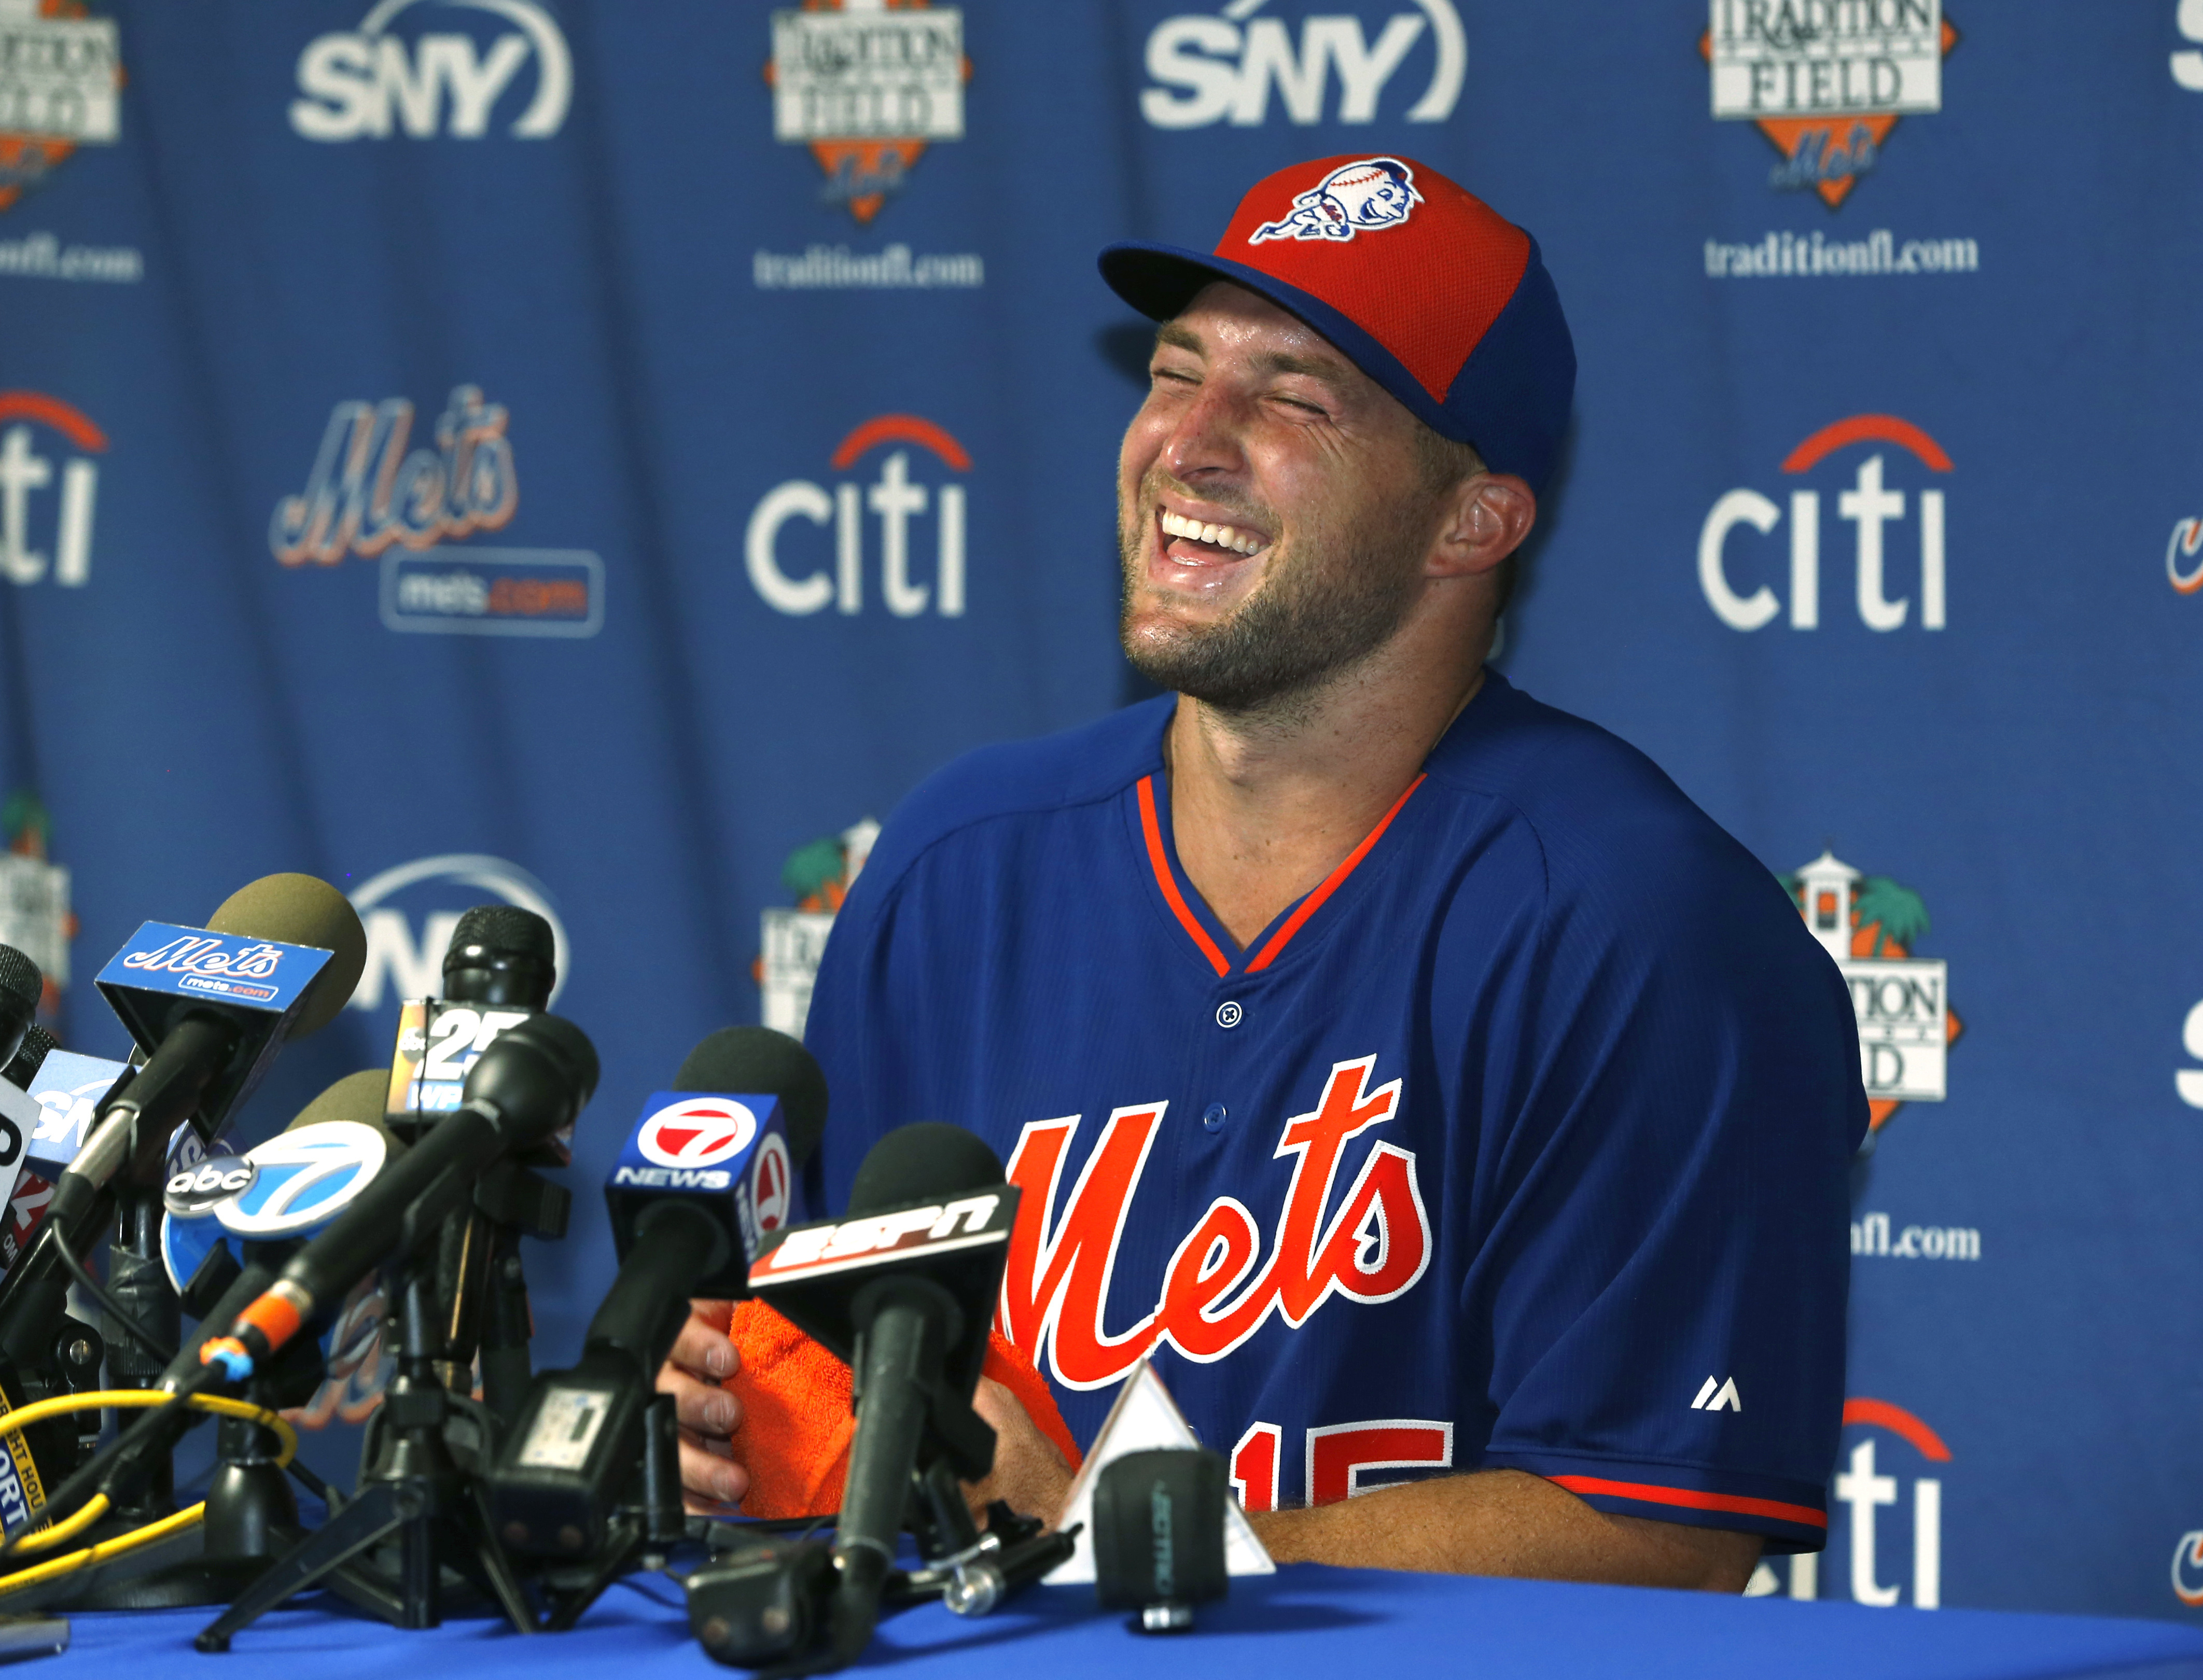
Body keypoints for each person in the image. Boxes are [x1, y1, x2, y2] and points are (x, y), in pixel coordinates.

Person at [658, 153, 1866, 1591]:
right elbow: (836, 1392)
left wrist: (1102, 1549)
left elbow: (1657, 1526)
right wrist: (741, 1416)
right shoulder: (957, 866)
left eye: (1296, 398)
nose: (1191, 443)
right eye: (1176, 372)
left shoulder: (1642, 927)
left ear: (1469, 521)